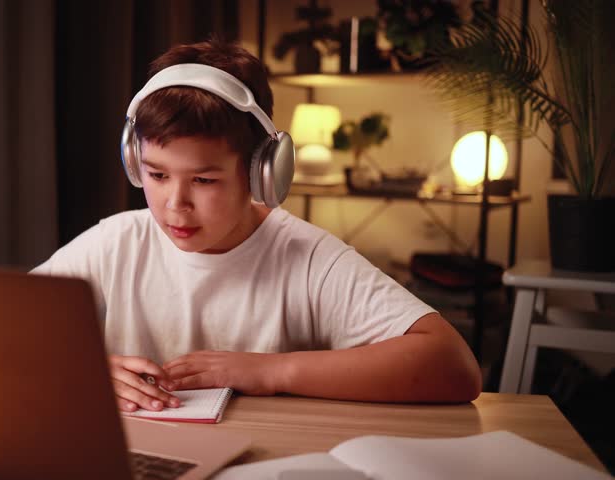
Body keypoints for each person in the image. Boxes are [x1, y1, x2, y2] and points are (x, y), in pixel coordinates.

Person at [32, 38, 481, 413]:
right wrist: (87, 371)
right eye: (157, 174)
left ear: (260, 172)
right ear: (133, 161)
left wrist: (267, 371)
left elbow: (453, 366)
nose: (175, 204)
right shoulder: (115, 243)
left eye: (204, 179)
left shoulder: (306, 258)